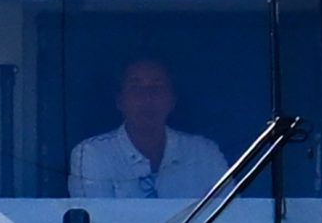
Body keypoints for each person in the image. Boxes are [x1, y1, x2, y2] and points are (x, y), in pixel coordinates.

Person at [68, 58, 229, 198]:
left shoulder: (205, 153)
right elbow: (94, 222)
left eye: (157, 87)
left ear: (172, 100)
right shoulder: (92, 154)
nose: (147, 97)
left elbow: (231, 217)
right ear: (119, 101)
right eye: (135, 88)